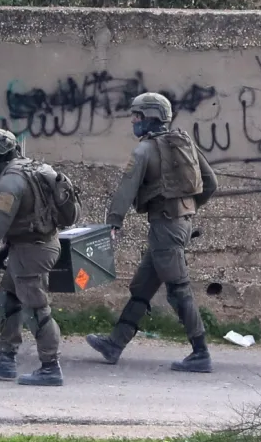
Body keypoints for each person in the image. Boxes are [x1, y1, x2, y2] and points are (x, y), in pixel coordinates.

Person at [85, 92, 218, 373]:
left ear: (150, 117)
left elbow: (126, 190)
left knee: (178, 290)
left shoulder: (144, 151)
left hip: (165, 228)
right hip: (177, 225)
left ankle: (201, 352)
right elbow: (211, 183)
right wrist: (188, 207)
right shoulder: (184, 143)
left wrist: (113, 223)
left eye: (137, 116)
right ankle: (114, 344)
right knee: (142, 288)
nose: (133, 121)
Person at [0, 129, 65, 387]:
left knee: (36, 309)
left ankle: (51, 367)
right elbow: (23, 223)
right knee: (7, 300)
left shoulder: (9, 183)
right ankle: (6, 359)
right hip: (31, 246)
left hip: (33, 251)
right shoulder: (30, 168)